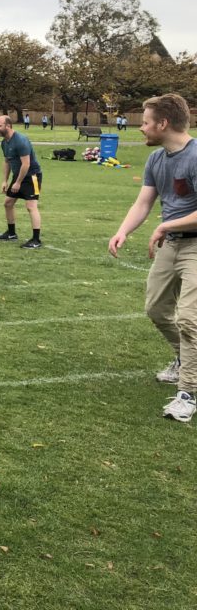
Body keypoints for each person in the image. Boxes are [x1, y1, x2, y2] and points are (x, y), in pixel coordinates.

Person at [109, 94, 197, 421]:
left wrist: (165, 225)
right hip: (170, 244)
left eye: (145, 122)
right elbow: (144, 202)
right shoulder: (156, 159)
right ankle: (183, 359)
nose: (141, 128)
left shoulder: (195, 156)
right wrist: (123, 231)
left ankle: (188, 393)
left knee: (189, 318)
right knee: (157, 310)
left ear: (163, 123)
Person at [0, 115, 43, 248]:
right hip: (19, 175)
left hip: (32, 176)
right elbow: (7, 161)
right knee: (8, 203)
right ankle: (11, 234)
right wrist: (5, 181)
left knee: (31, 206)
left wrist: (18, 182)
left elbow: (26, 164)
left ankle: (36, 240)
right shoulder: (4, 142)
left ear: (8, 126)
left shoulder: (20, 140)